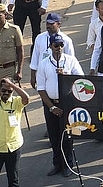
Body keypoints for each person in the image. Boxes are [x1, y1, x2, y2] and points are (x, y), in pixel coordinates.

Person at [36, 35, 83, 177]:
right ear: (50, 47)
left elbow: (80, 80)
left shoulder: (71, 60)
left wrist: (66, 77)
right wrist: (51, 107)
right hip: (51, 104)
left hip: (67, 103)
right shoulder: (44, 64)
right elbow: (41, 89)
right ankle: (57, 164)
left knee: (68, 136)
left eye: (61, 45)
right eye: (56, 45)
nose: (59, 48)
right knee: (54, 136)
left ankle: (68, 165)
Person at [29, 13, 75, 89]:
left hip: (61, 74)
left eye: (51, 23)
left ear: (59, 24)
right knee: (45, 95)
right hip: (44, 74)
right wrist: (33, 76)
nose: (48, 26)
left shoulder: (66, 40)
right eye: (47, 23)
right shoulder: (40, 38)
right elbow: (35, 58)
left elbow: (71, 61)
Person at [0, 77, 29, 186]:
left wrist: (12, 85)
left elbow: (26, 98)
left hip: (13, 147)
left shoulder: (17, 102)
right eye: (3, 90)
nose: (6, 93)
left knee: (13, 179)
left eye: (9, 91)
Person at [0, 4, 23, 83]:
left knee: (7, 93)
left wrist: (19, 71)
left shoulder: (14, 29)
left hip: (8, 69)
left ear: (5, 15)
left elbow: (20, 50)